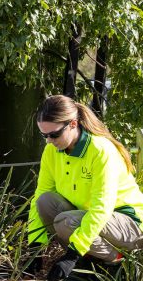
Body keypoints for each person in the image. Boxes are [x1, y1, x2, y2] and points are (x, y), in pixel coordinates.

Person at [28, 94, 143, 280]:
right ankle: (90, 259)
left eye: (54, 134)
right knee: (45, 202)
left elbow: (101, 207)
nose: (48, 140)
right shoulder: (51, 150)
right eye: (44, 135)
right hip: (89, 219)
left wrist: (71, 255)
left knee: (65, 222)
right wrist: (35, 244)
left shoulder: (100, 151)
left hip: (130, 225)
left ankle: (116, 262)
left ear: (73, 124)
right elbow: (41, 193)